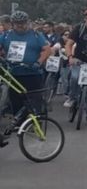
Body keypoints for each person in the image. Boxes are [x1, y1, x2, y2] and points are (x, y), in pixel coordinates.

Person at [0, 11, 51, 145]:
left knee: (34, 99)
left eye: (22, 23)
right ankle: (19, 123)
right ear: (13, 24)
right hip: (14, 74)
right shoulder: (6, 36)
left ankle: (36, 122)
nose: (20, 26)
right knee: (15, 99)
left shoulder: (35, 35)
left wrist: (38, 62)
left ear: (27, 23)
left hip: (32, 73)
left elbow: (46, 49)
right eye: (17, 24)